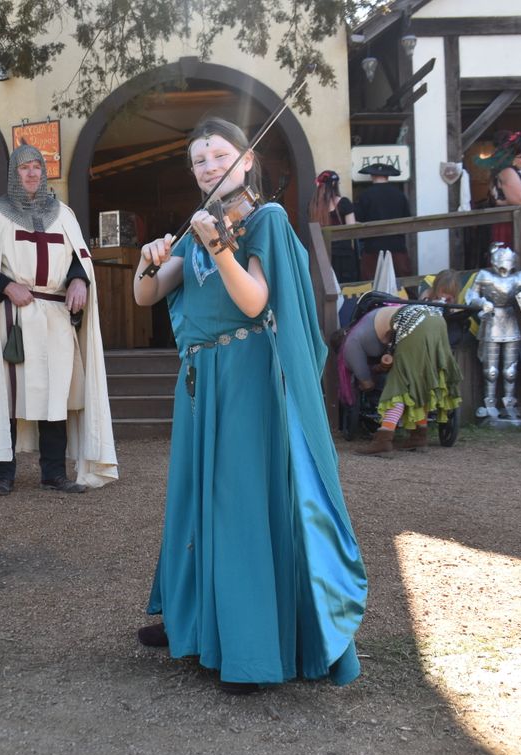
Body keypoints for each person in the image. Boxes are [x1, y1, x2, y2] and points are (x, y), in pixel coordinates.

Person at [132, 117, 366, 692]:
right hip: (199, 381)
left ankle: (250, 644)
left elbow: (256, 301)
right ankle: (192, 616)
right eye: (199, 160)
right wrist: (148, 258)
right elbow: (147, 294)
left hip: (245, 378)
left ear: (245, 161)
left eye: (218, 155)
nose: (209, 167)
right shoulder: (196, 231)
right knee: (196, 496)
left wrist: (222, 249)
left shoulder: (265, 219)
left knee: (237, 502)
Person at [0, 143, 118, 496]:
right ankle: (2, 475)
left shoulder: (63, 214)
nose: (33, 172)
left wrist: (80, 278)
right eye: (25, 168)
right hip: (13, 321)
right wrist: (7, 286)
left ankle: (53, 473)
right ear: (14, 174)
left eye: (37, 166)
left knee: (57, 399)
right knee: (5, 396)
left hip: (55, 318)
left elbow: (78, 256)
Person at [337, 282, 463, 455]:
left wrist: (367, 382)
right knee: (421, 381)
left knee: (399, 384)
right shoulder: (369, 322)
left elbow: (365, 379)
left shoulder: (351, 340)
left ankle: (383, 439)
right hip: (436, 320)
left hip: (414, 323)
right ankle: (419, 435)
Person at [467, 243, 521, 420]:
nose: (504, 270)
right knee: (490, 370)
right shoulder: (484, 276)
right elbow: (471, 297)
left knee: (510, 370)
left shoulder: (520, 278)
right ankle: (489, 403)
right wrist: (483, 303)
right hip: (491, 320)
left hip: (510, 320)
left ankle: (510, 403)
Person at [476, 130, 521, 265]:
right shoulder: (507, 171)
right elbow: (520, 201)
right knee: (516, 263)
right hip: (512, 225)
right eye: (520, 156)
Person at [354, 162, 412, 279]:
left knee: (371, 284)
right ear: (387, 176)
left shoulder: (365, 195)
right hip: (397, 246)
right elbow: (407, 219)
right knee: (403, 283)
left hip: (373, 247)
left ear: (372, 176)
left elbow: (357, 220)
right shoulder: (399, 195)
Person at [308, 169, 358, 282]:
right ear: (335, 184)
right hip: (343, 255)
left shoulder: (312, 206)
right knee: (345, 288)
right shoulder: (344, 203)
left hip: (321, 255)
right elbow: (352, 230)